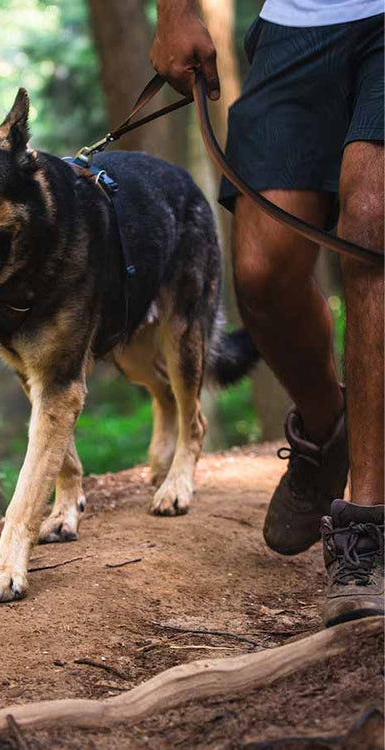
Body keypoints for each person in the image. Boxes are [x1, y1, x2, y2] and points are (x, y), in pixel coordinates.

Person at [151, 0, 384, 627]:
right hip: (300, 21)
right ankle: (327, 427)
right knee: (262, 270)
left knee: (370, 226)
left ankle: (366, 529)